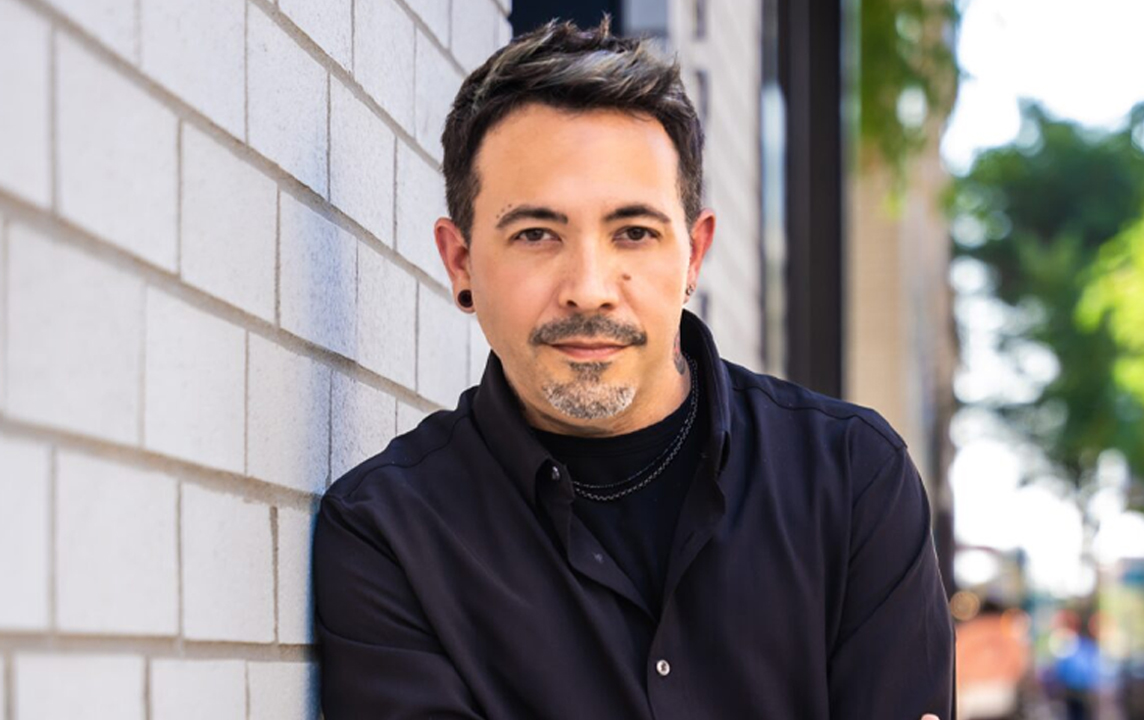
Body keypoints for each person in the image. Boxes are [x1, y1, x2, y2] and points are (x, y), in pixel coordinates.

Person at [313, 17, 955, 719]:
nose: (589, 286)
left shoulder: (854, 478)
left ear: (694, 257)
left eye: (634, 234)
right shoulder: (389, 535)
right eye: (536, 234)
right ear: (461, 262)